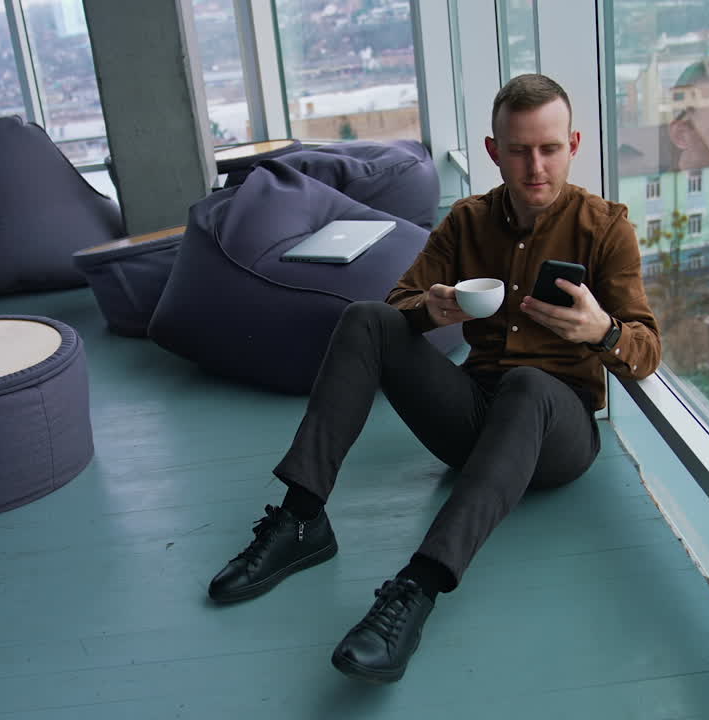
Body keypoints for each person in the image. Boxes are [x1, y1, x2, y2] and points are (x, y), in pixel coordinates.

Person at [207, 73, 662, 683]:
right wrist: (431, 310)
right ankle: (302, 518)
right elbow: (399, 304)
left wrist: (600, 330)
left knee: (528, 385)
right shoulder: (466, 222)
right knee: (365, 319)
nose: (535, 166)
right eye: (519, 149)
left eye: (549, 148)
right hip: (472, 416)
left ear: (573, 144)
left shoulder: (605, 228)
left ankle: (414, 593)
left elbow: (647, 349)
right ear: (493, 150)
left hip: (557, 435)